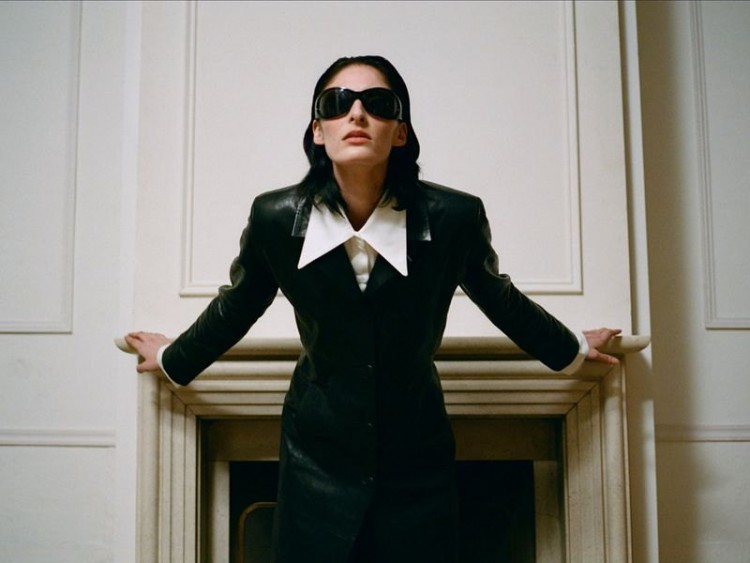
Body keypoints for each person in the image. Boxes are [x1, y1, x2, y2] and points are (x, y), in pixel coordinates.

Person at [125, 55, 621, 563]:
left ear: (400, 132)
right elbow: (240, 302)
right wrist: (172, 358)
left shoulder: (454, 217)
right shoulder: (274, 218)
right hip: (315, 454)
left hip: (417, 456)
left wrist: (572, 349)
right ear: (318, 131)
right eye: (337, 103)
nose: (357, 114)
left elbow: (498, 296)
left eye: (378, 103)